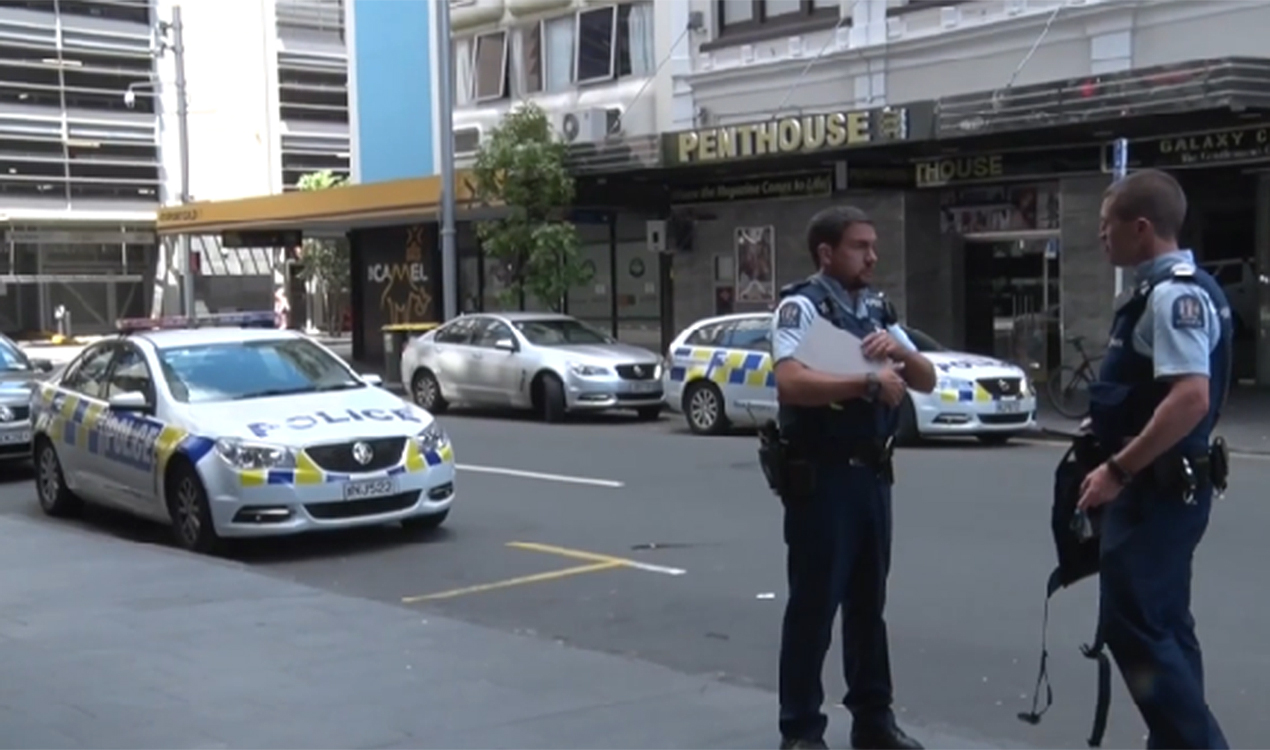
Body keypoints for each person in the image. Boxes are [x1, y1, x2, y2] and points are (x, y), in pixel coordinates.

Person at [769, 206, 936, 750]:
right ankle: (800, 731)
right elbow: (791, 383)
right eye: (860, 246)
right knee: (814, 608)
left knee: (869, 606)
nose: (873, 256)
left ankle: (874, 721)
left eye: (873, 245)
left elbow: (928, 378)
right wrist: (865, 383)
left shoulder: (876, 309)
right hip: (822, 478)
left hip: (873, 476)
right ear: (827, 254)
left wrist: (900, 356)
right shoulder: (803, 308)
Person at [1076, 168, 1232, 749]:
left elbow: (1191, 397)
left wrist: (1119, 469)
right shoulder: (1165, 291)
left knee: (1136, 624)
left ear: (1140, 228)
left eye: (1105, 226)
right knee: (1165, 623)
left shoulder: (1174, 296)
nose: (1101, 238)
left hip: (1156, 489)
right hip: (1161, 486)